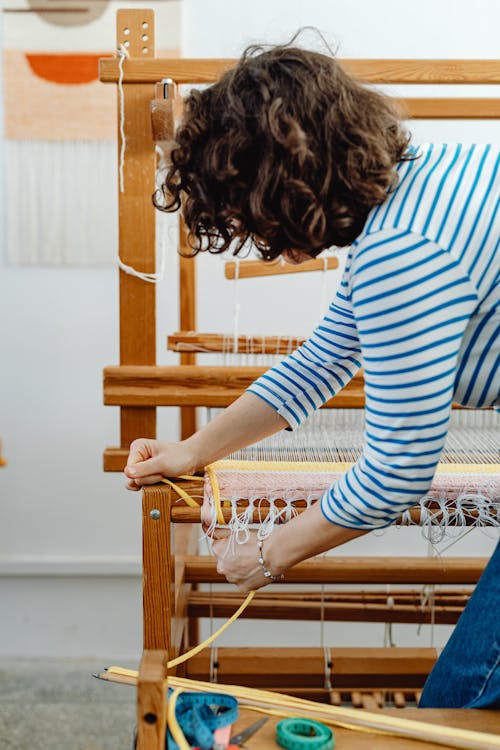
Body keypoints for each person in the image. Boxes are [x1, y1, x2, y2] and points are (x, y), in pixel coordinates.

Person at [124, 43, 499, 708]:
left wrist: (265, 556)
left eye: (242, 214)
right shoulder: (421, 185)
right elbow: (322, 360)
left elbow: (397, 472)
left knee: (462, 705)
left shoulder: (402, 254)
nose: (253, 237)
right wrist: (195, 450)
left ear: (279, 184)